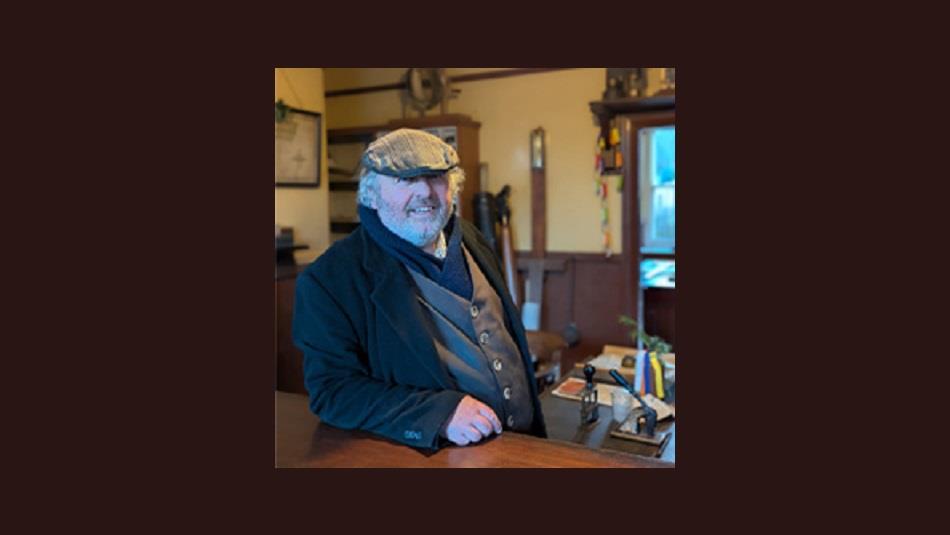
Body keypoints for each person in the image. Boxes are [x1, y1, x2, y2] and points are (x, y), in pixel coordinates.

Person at [293, 128, 546, 450]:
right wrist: (438, 413)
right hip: (441, 456)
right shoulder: (328, 280)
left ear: (452, 187)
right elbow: (333, 392)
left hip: (527, 444)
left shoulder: (471, 237)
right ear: (371, 193)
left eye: (436, 177)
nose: (425, 192)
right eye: (406, 180)